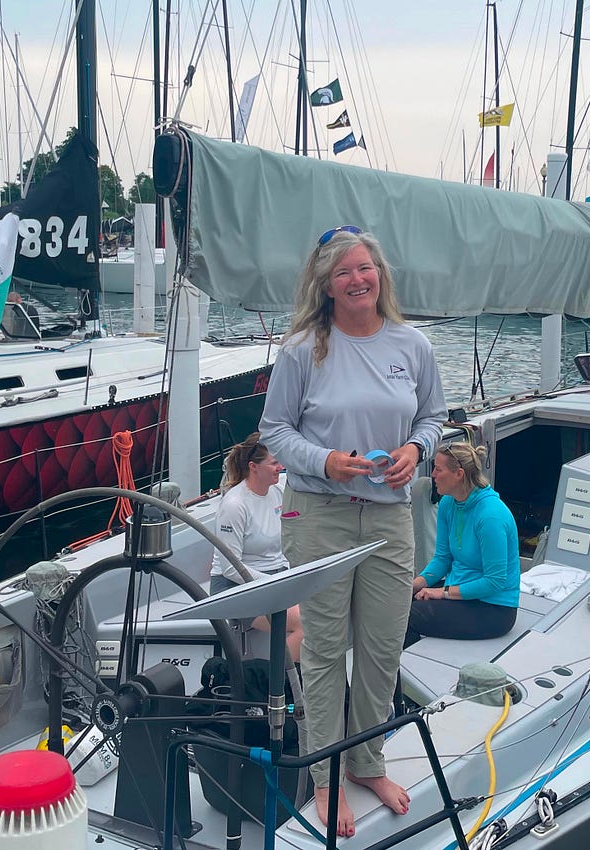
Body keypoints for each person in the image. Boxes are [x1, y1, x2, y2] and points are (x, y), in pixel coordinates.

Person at [259, 225, 446, 837]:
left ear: (379, 274)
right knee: (323, 650)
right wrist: (325, 461)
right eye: (343, 272)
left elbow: (433, 417)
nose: (358, 279)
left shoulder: (412, 345)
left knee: (382, 647)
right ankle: (326, 775)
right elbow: (274, 430)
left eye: (365, 268)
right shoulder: (302, 351)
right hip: (321, 513)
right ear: (326, 285)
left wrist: (416, 451)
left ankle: (367, 763)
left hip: (389, 515)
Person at [406, 443, 519, 644]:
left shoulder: (491, 516)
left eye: (438, 469)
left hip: (493, 607)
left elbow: (495, 581)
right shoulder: (448, 503)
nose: (433, 475)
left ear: (459, 474)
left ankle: (409, 661)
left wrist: (442, 593)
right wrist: (413, 585)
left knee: (405, 617)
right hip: (458, 589)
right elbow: (443, 558)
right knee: (396, 604)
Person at [209, 433, 304, 662]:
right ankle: (279, 679)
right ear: (253, 467)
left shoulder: (279, 490)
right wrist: (275, 584)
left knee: (329, 609)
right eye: (274, 463)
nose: (280, 467)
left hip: (276, 578)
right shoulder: (234, 505)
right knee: (307, 621)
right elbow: (230, 569)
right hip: (237, 587)